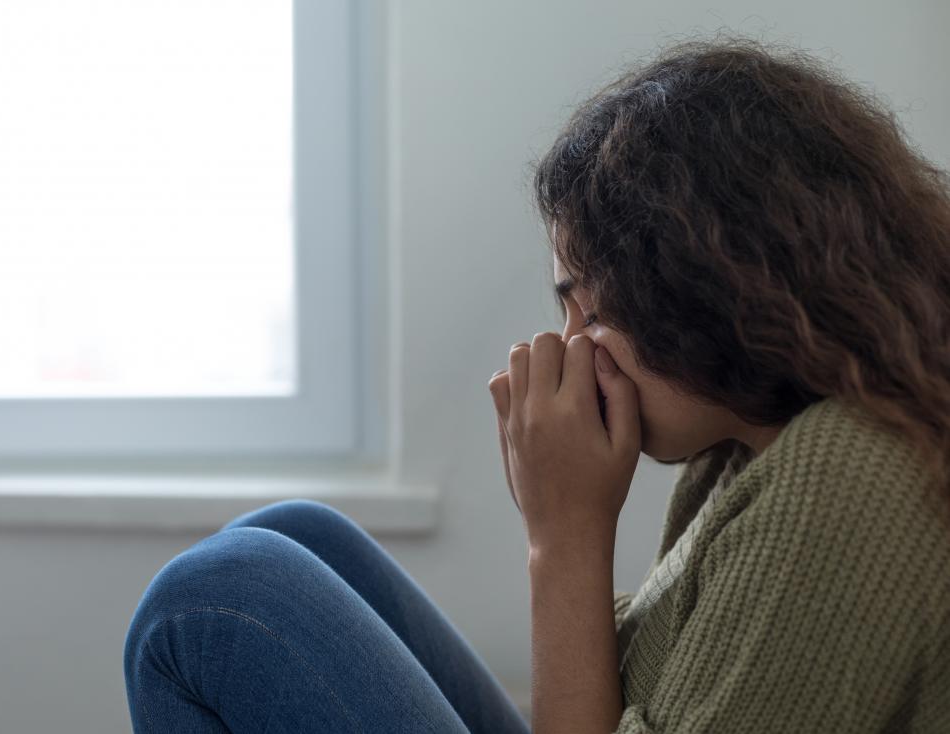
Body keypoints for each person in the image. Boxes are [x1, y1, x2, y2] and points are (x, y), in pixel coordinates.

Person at [124, 36, 950, 732]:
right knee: (299, 532)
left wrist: (563, 536)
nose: (572, 350)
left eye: (585, 312)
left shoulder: (844, 477)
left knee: (208, 604)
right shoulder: (745, 450)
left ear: (695, 291)